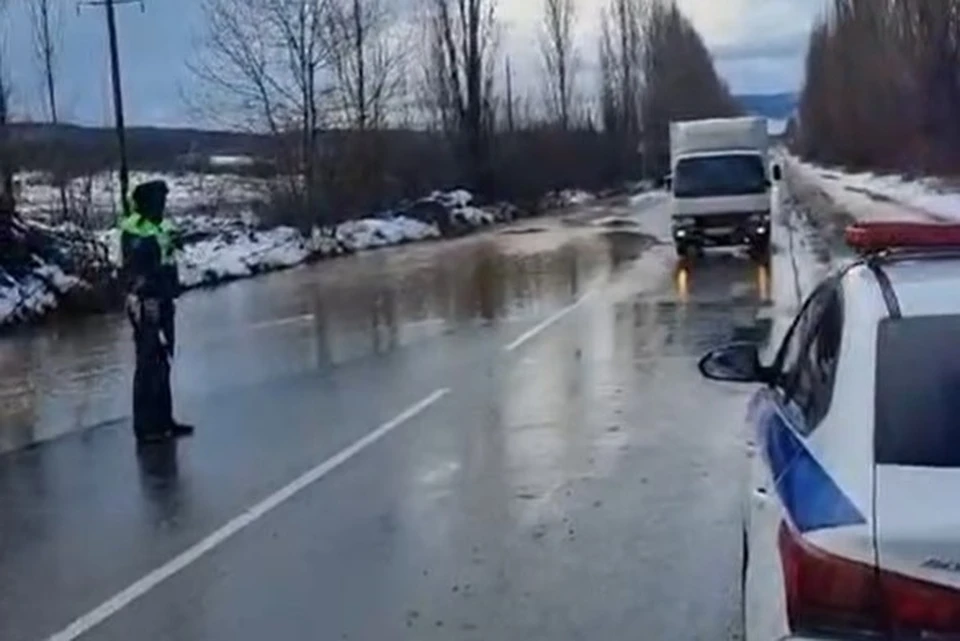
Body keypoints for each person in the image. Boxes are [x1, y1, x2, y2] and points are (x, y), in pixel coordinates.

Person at [120, 180, 194, 443]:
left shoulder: (161, 226)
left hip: (163, 299)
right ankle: (144, 426)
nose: (163, 205)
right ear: (147, 203)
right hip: (145, 302)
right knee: (147, 362)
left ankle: (164, 420)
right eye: (159, 200)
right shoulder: (135, 228)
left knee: (163, 360)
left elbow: (168, 257)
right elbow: (137, 268)